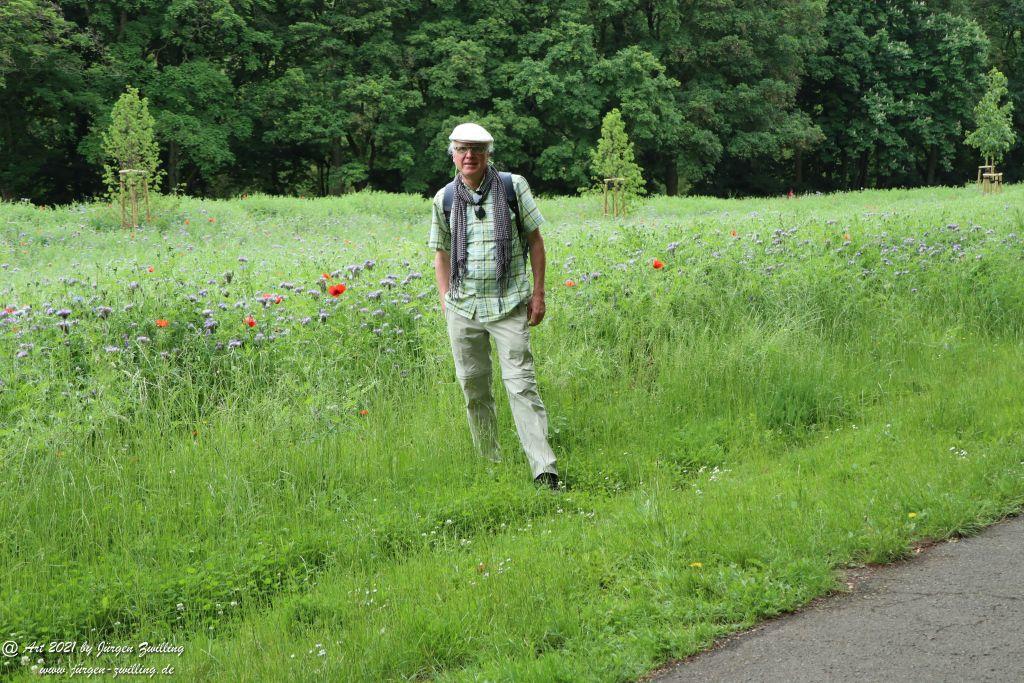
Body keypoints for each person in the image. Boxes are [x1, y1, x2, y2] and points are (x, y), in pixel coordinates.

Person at [428, 122, 560, 490]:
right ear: (453, 155)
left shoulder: (512, 187)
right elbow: (441, 254)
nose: (469, 156)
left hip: (509, 304)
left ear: (488, 154)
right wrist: (446, 302)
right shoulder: (444, 199)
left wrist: (538, 294)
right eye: (462, 149)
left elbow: (535, 241)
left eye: (477, 149)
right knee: (474, 388)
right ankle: (490, 463)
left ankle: (544, 469)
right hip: (463, 309)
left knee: (521, 385)